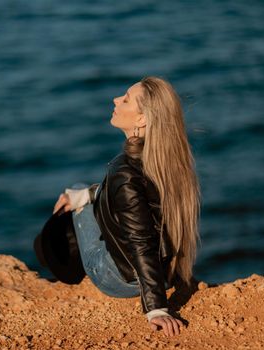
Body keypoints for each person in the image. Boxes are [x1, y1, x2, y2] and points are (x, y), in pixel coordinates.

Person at [52, 76, 201, 338]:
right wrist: (89, 193)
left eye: (126, 99)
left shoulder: (124, 172)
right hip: (164, 272)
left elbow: (141, 240)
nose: (115, 100)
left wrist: (156, 309)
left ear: (142, 119)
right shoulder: (167, 159)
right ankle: (80, 198)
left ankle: (61, 269)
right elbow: (133, 198)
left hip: (117, 278)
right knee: (82, 192)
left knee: (74, 192)